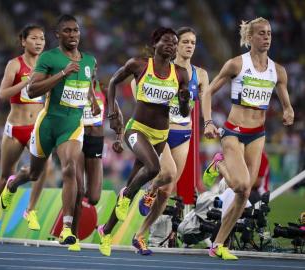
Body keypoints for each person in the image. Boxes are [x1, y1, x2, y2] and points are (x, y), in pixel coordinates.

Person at [0, 14, 99, 246]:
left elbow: (89, 81)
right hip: (48, 124)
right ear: (58, 35)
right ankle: (13, 183)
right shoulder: (49, 58)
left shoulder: (90, 60)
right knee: (34, 174)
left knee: (69, 168)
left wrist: (92, 99)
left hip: (72, 125)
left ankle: (66, 228)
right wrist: (62, 73)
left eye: (75, 30)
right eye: (67, 31)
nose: (72, 35)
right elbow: (32, 90)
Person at [202, 17, 294, 260]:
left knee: (245, 192)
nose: (266, 37)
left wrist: (288, 111)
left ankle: (218, 244)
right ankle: (219, 162)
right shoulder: (236, 65)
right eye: (261, 33)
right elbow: (208, 92)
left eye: (269, 33)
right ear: (250, 38)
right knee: (240, 185)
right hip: (233, 131)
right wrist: (209, 121)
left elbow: (286, 103)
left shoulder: (278, 71)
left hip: (257, 134)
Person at [98, 27, 190, 257]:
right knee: (154, 168)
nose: (171, 45)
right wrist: (112, 111)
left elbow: (184, 110)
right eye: (167, 41)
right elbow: (112, 83)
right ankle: (127, 194)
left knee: (136, 183)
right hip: (137, 129)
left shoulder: (180, 73)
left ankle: (106, 231)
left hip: (161, 134)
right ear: (155, 43)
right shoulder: (139, 64)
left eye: (174, 43)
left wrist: (185, 100)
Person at [133, 27, 209, 255]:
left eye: (193, 42)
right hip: (162, 132)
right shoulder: (161, 69)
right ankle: (150, 188)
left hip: (184, 134)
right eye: (184, 41)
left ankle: (139, 235)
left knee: (168, 191)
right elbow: (137, 90)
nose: (188, 46)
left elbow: (204, 103)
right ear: (175, 45)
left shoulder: (200, 75)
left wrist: (210, 123)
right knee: (166, 173)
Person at [0, 24, 46, 245]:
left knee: (40, 171)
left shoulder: (47, 64)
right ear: (23, 41)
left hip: (37, 128)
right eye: (34, 38)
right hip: (15, 128)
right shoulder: (14, 64)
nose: (39, 42)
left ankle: (31, 210)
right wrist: (24, 83)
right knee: (3, 176)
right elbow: (2, 94)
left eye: (42, 38)